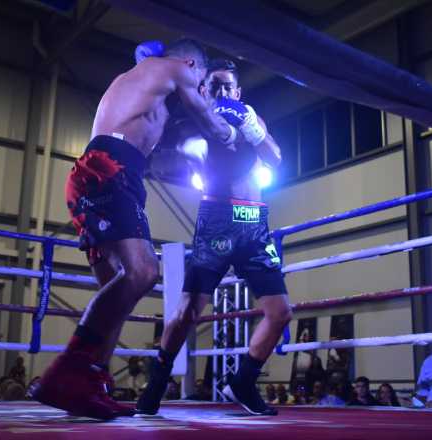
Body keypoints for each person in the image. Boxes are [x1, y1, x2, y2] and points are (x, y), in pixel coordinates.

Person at [29, 39, 238, 421]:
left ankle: (93, 382)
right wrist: (236, 133)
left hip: (99, 174)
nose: (201, 87)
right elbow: (209, 121)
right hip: (110, 170)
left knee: (117, 289)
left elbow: (162, 130)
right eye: (203, 79)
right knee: (143, 272)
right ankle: (64, 372)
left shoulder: (142, 85)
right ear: (193, 64)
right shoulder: (175, 68)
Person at [136, 57, 289, 416]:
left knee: (281, 313)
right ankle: (157, 382)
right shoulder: (194, 121)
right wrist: (214, 138)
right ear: (204, 90)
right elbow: (195, 155)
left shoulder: (253, 117)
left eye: (227, 86)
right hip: (217, 221)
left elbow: (277, 159)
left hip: (254, 224)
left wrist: (255, 132)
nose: (221, 91)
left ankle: (244, 381)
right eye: (214, 85)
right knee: (190, 308)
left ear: (238, 91)